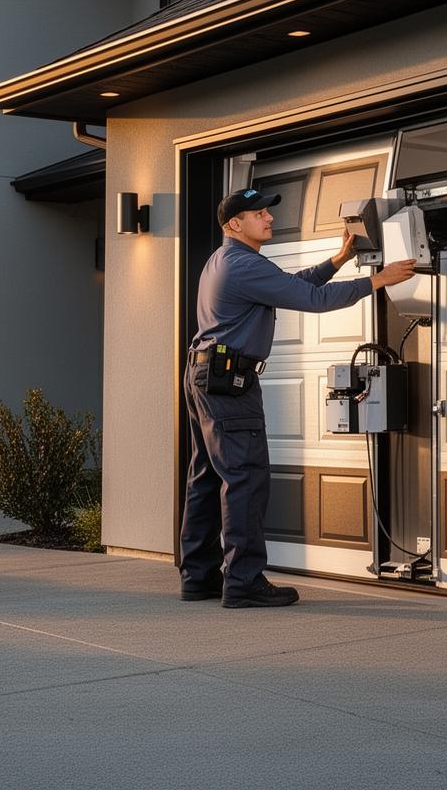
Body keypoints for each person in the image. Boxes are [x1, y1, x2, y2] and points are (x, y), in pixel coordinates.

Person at [180, 187, 416, 608]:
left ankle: (199, 576)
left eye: (267, 213)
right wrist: (377, 280)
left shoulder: (230, 260)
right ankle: (244, 581)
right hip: (228, 381)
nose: (269, 219)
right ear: (235, 224)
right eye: (259, 214)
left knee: (209, 476)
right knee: (245, 479)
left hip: (208, 374)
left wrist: (338, 260)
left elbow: (292, 286)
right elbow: (312, 299)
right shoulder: (241, 264)